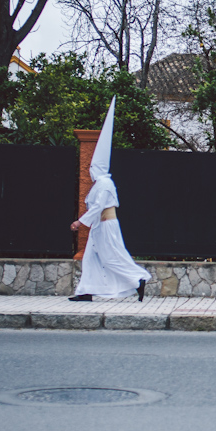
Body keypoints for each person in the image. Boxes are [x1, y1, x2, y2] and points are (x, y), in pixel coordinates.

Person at [68, 98, 151, 302]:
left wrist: (81, 221)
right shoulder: (101, 184)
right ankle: (86, 291)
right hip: (100, 227)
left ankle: (138, 278)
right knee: (91, 259)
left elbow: (98, 207)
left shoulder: (104, 184)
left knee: (112, 258)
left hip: (106, 226)